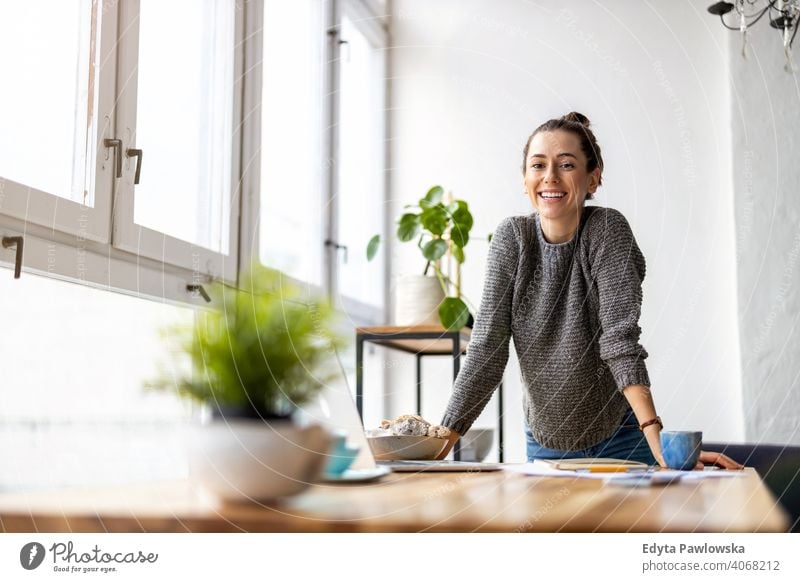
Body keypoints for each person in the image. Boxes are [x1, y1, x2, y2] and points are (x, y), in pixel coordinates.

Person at [436, 112, 741, 469]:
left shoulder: (607, 232)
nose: (550, 176)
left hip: (623, 438)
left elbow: (619, 342)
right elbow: (487, 348)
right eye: (538, 165)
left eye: (566, 164)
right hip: (545, 443)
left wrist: (657, 439)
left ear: (592, 179)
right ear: (525, 180)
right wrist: (435, 448)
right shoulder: (512, 240)